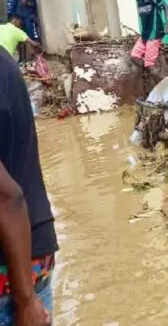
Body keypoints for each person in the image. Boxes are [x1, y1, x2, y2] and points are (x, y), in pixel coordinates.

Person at [0, 47, 58, 326]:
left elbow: (6, 196)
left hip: (12, 271)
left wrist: (25, 300)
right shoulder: (3, 61)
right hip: (31, 252)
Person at [129, 0, 168, 81]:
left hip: (155, 31)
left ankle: (162, 86)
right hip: (146, 33)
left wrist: (167, 25)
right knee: (134, 57)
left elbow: (165, 6)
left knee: (150, 65)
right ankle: (156, 73)